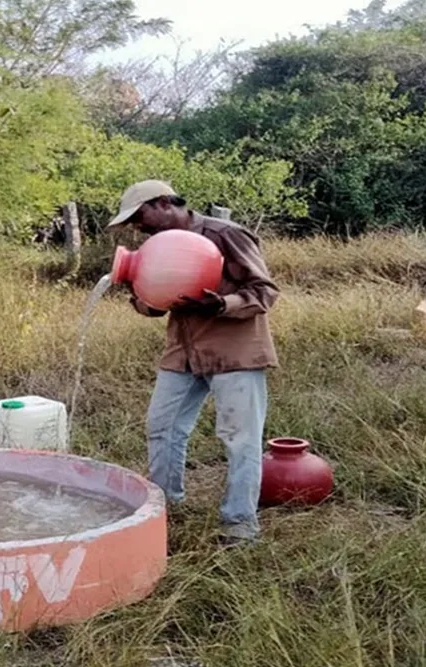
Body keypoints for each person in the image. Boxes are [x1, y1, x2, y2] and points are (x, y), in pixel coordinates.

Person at [107, 180, 280, 545]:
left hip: (233, 352)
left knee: (240, 439)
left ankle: (239, 525)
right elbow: (152, 306)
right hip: (182, 353)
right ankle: (164, 510)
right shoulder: (156, 247)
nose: (139, 227)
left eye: (141, 216)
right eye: (134, 223)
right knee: (162, 427)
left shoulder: (225, 235)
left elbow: (265, 291)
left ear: (166, 203)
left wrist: (220, 305)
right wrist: (138, 286)